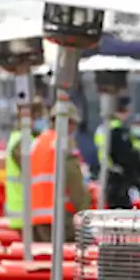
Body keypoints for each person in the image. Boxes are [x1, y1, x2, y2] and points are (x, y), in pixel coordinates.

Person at [31, 104, 92, 243]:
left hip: (36, 219)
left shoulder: (37, 143)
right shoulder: (63, 143)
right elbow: (75, 182)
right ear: (67, 122)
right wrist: (84, 214)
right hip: (60, 217)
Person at [95, 96, 140, 209]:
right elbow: (126, 158)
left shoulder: (103, 129)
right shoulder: (117, 131)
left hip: (108, 176)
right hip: (118, 179)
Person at [4, 101, 47, 231]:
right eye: (39, 117)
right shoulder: (23, 141)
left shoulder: (25, 138)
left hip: (26, 214)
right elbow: (35, 170)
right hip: (25, 214)